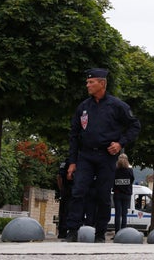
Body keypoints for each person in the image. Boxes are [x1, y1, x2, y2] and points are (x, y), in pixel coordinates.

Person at [64, 68, 141, 243]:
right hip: (85, 156)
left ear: (102, 83)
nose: (87, 85)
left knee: (103, 194)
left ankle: (100, 234)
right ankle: (72, 231)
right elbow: (74, 135)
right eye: (87, 82)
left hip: (106, 156)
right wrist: (72, 162)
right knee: (78, 192)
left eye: (91, 82)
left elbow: (135, 125)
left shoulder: (117, 105)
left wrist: (120, 143)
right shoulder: (83, 107)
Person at [112, 153, 135, 233]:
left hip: (117, 194)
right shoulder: (130, 170)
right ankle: (123, 232)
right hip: (127, 194)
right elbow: (132, 180)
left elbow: (112, 181)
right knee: (124, 214)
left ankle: (117, 232)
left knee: (117, 214)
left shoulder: (115, 170)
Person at [56, 156, 73, 239]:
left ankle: (62, 232)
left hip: (65, 190)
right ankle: (70, 232)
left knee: (63, 212)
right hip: (72, 190)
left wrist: (61, 189)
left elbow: (59, 177)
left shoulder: (64, 163)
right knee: (70, 212)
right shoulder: (77, 161)